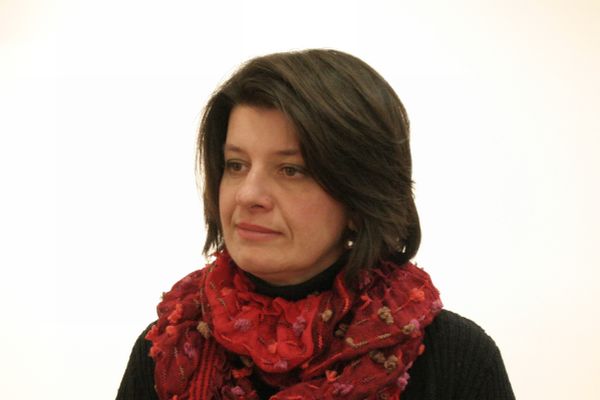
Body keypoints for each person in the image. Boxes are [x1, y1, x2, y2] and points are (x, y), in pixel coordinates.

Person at [117, 49, 515, 400]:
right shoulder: (170, 349)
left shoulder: (455, 360)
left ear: (360, 197)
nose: (248, 195)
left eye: (291, 170)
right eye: (236, 165)